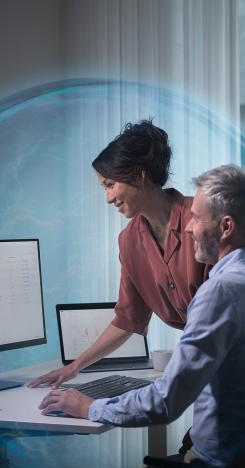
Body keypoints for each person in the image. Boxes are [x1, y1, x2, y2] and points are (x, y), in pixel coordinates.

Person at [39, 165, 245, 468]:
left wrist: (89, 407)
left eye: (197, 218)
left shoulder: (222, 291)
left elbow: (167, 402)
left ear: (225, 227)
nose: (187, 226)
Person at [29, 119, 210, 388]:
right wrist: (75, 367)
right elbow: (128, 319)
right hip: (206, 362)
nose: (108, 198)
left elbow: (229, 307)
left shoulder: (200, 217)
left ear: (139, 175)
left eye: (110, 185)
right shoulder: (129, 242)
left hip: (239, 356)